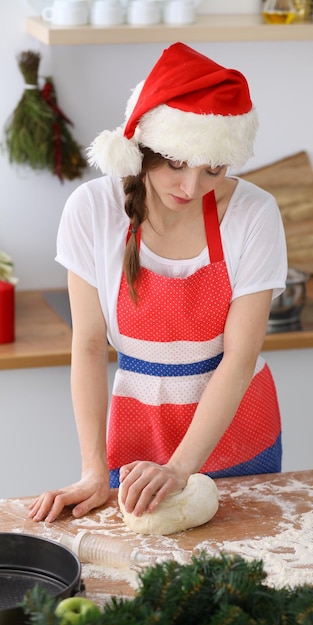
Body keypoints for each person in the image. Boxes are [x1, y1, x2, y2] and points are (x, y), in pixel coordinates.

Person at [29, 42, 287, 524]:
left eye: (213, 170)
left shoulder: (254, 214)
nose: (191, 189)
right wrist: (92, 470)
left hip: (237, 439)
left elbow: (240, 356)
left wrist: (181, 466)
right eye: (174, 164)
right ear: (143, 147)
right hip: (135, 443)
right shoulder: (92, 211)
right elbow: (87, 346)